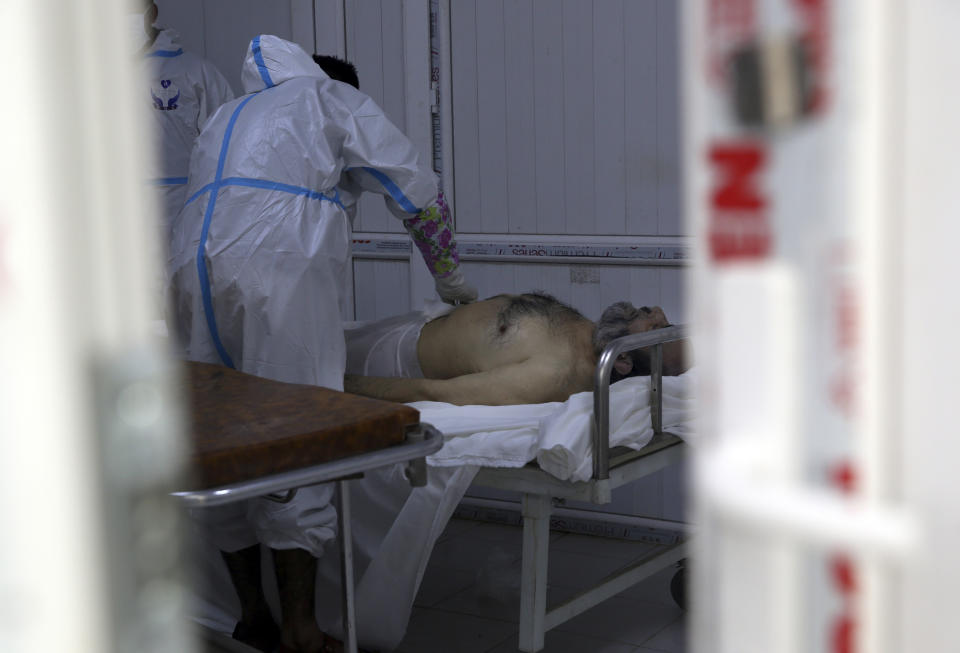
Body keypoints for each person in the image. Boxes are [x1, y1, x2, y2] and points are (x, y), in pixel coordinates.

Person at [167, 35, 476, 653]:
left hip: (190, 265)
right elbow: (416, 189)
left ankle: (253, 615)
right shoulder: (333, 99)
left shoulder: (230, 114)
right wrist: (450, 277)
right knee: (296, 430)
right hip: (272, 267)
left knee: (221, 432)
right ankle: (303, 632)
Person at [343, 292, 688, 406]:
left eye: (656, 327)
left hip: (386, 363)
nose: (656, 312)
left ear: (624, 360)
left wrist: (334, 384)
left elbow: (431, 391)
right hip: (405, 327)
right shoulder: (587, 332)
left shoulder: (553, 374)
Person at [132, 1, 235, 238]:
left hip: (183, 208)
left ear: (152, 12)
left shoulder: (194, 72)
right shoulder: (96, 74)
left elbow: (226, 141)